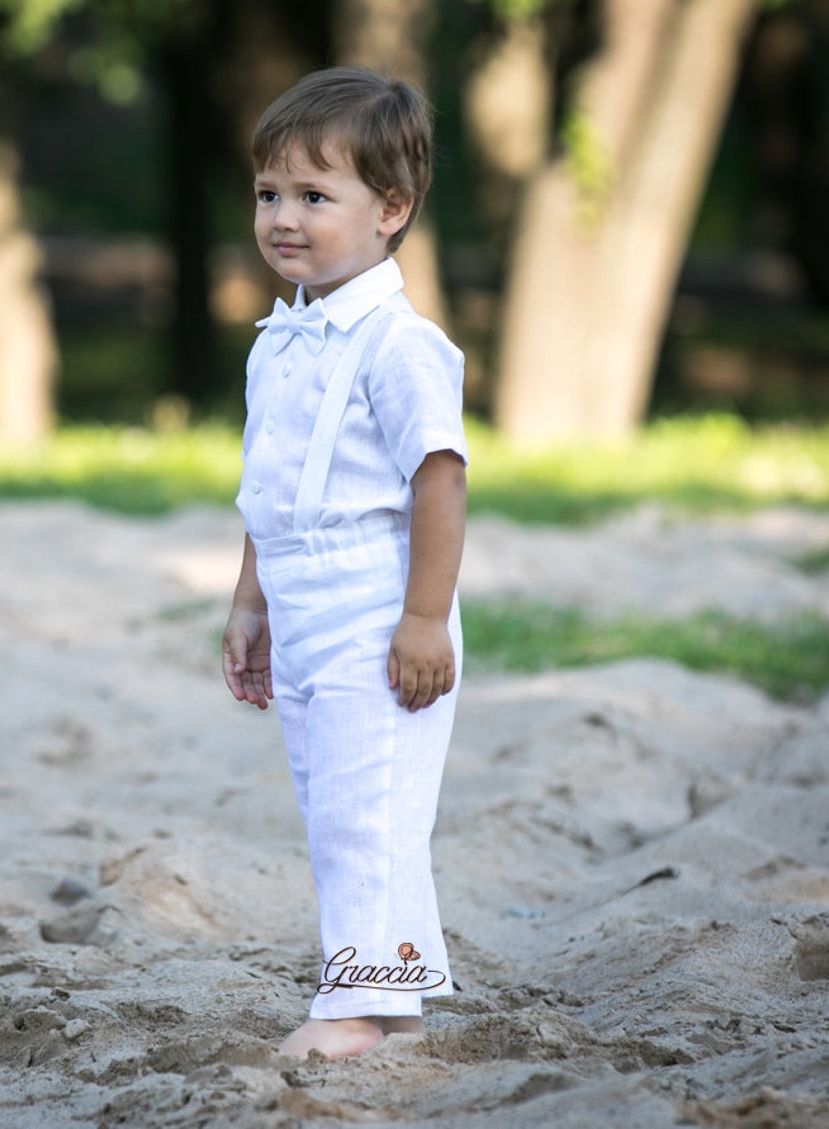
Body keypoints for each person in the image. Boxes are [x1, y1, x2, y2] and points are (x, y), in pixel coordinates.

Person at [221, 66, 469, 1060]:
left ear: (391, 211)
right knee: (344, 811)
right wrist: (251, 606)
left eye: (314, 196)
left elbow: (439, 479)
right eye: (269, 194)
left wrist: (422, 618)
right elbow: (267, 486)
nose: (284, 217)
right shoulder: (279, 342)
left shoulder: (399, 346)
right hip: (303, 599)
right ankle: (395, 1001)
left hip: (379, 604)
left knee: (369, 813)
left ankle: (355, 1010)